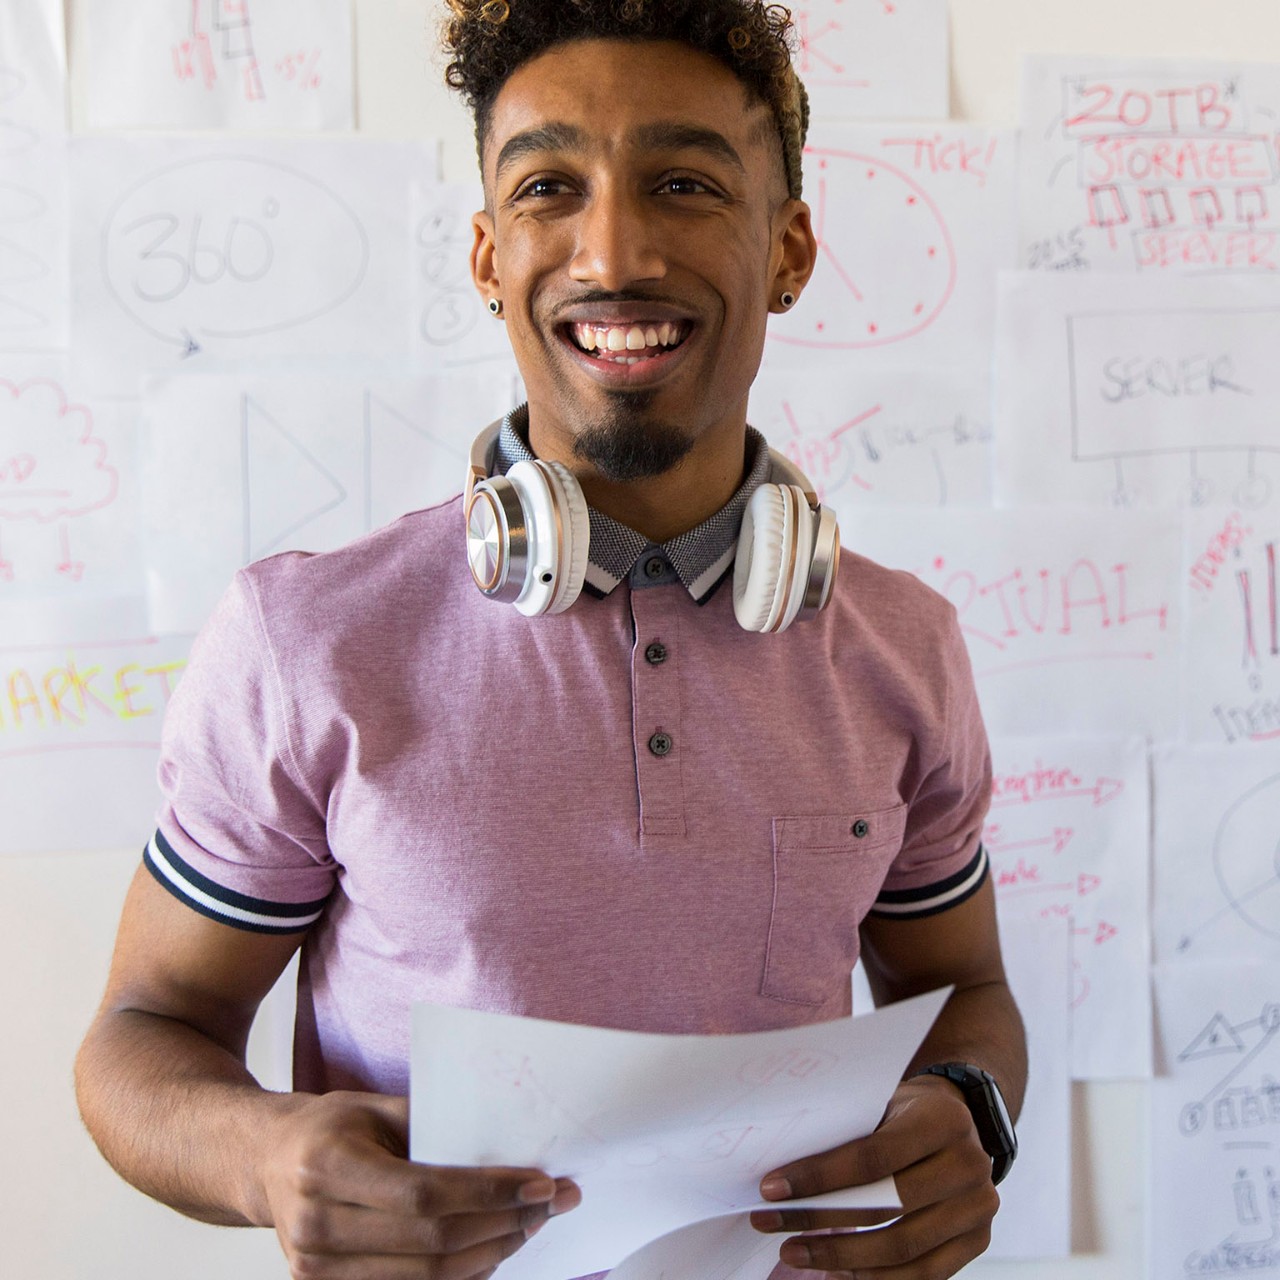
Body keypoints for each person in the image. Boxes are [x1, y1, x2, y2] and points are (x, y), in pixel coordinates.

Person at [75, 2, 1027, 1278]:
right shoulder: (303, 640)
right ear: (485, 254)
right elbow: (145, 1031)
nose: (613, 250)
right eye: (547, 188)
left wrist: (968, 1105)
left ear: (788, 249)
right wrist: (268, 1158)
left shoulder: (901, 645)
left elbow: (965, 990)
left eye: (683, 183)